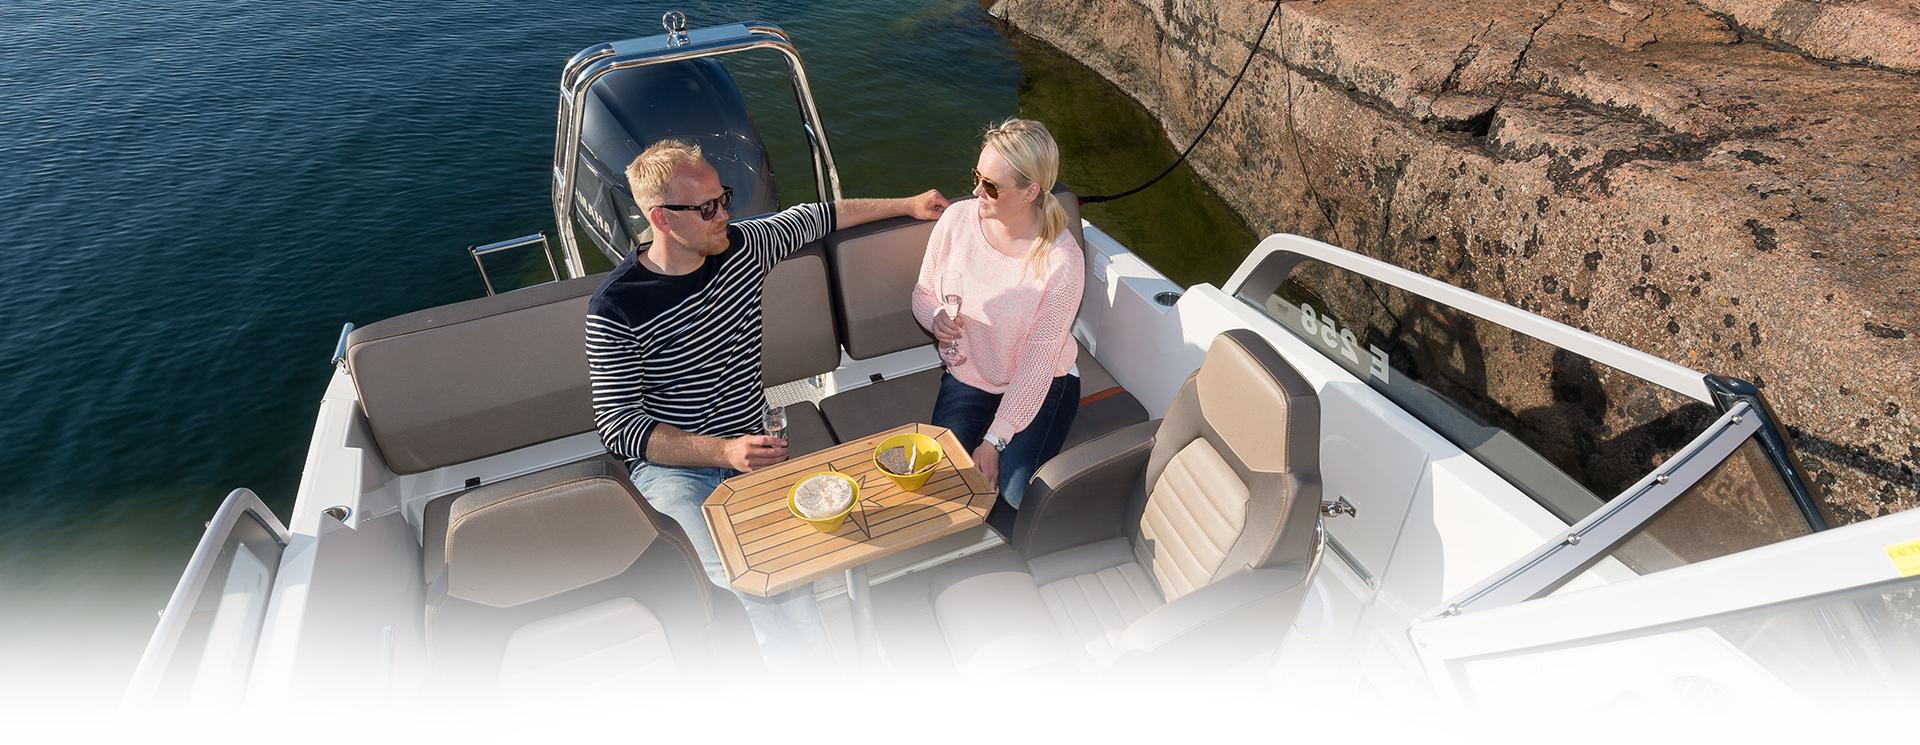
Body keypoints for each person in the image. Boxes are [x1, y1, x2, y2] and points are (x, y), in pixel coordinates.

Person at [587, 139, 947, 670]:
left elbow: (821, 216)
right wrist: (723, 452)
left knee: (784, 572)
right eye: (707, 208)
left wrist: (909, 205)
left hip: (755, 450)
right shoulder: (616, 306)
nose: (724, 215)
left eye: (724, 198)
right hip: (675, 470)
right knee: (737, 584)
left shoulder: (744, 246)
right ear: (662, 219)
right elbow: (619, 427)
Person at [912, 118, 1083, 537]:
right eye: (977, 177)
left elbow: (1037, 365)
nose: (976, 191)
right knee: (951, 479)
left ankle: (1030, 564)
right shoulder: (957, 221)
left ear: (1030, 192)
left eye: (990, 186)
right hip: (969, 375)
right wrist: (935, 317)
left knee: (1013, 494)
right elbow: (923, 292)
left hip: (1045, 382)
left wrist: (994, 441)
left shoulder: (1062, 262)